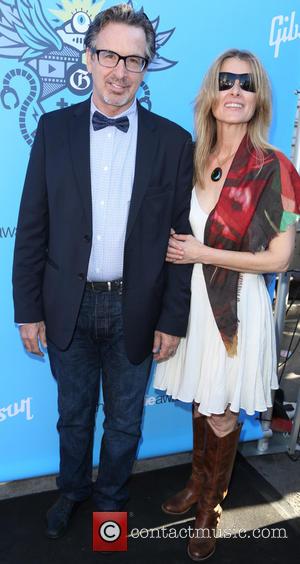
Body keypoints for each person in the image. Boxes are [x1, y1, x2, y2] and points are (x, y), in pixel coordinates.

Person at [12, 4, 193, 539]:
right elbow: (32, 228)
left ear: (147, 67)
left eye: (134, 60)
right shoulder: (53, 130)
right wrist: (28, 311)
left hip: (136, 307)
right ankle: (72, 490)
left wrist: (172, 318)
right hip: (67, 304)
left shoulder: (173, 141)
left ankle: (110, 503)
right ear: (88, 58)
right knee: (72, 415)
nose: (120, 70)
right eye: (109, 55)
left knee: (125, 422)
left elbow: (180, 244)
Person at [155, 48, 300, 561]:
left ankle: (210, 510)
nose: (235, 90)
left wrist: (201, 252)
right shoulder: (191, 155)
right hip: (188, 303)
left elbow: (281, 257)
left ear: (259, 98)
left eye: (247, 83)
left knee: (222, 410)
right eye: (226, 81)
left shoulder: (276, 167)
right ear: (211, 94)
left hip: (235, 307)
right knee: (202, 397)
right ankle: (199, 484)